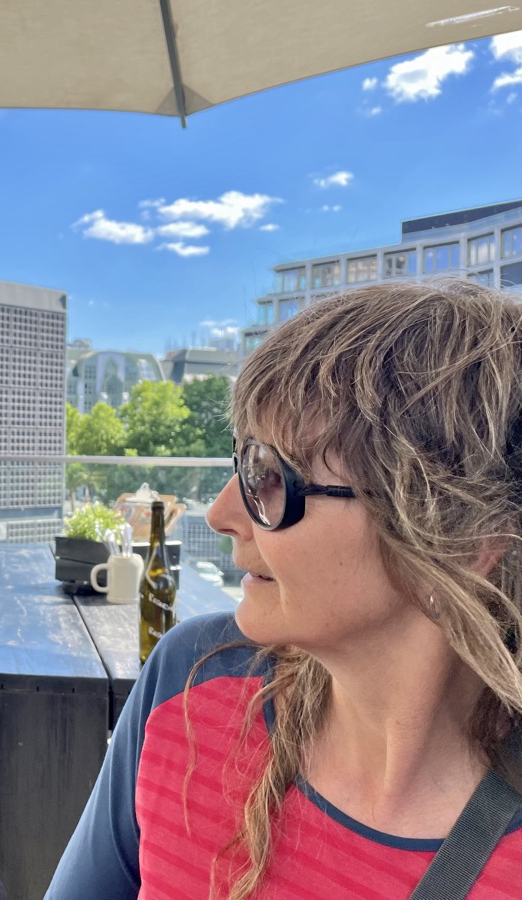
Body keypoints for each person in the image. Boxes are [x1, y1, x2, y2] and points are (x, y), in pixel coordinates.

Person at [47, 280, 522, 899]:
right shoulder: (190, 680)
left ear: (461, 539)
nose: (222, 514)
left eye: (272, 477)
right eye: (242, 462)